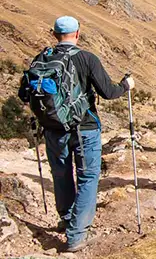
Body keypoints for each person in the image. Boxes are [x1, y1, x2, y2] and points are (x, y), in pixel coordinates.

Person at [18, 16, 135, 253]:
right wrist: (126, 85)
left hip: (52, 129)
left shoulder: (41, 59)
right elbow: (109, 92)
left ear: (54, 34)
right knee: (88, 177)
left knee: (61, 175)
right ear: (78, 34)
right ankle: (77, 234)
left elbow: (24, 94)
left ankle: (66, 219)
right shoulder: (86, 58)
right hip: (85, 128)